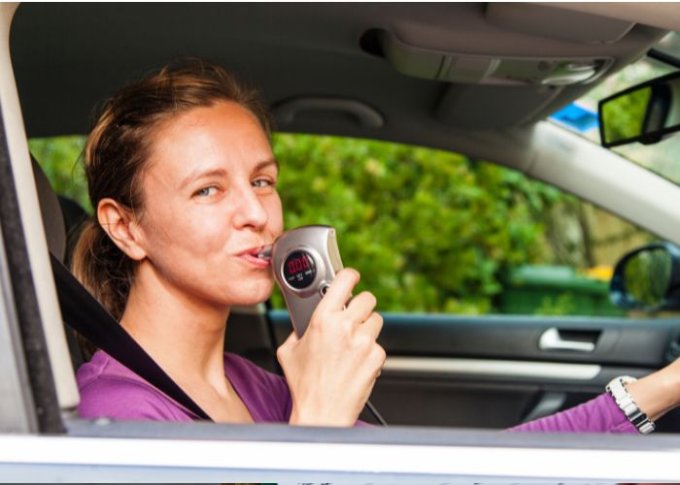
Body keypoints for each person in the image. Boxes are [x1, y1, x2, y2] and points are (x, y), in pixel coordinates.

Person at [75, 58, 680, 432]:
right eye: (208, 190)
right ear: (125, 226)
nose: (257, 213)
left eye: (263, 180)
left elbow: (450, 478)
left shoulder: (249, 385)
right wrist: (316, 419)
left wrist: (662, 388)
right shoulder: (118, 415)